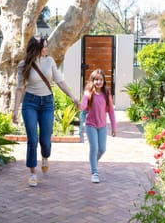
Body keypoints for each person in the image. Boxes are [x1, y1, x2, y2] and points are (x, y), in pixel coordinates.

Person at [12, 36, 79, 187]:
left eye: (46, 46)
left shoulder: (50, 61)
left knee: (45, 141)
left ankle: (45, 156)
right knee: (32, 139)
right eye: (44, 47)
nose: (46, 49)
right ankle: (33, 173)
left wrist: (73, 97)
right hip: (30, 103)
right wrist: (15, 110)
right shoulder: (24, 65)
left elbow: (60, 81)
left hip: (47, 103)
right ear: (35, 48)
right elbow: (19, 88)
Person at [79, 69, 116, 183]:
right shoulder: (88, 93)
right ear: (92, 80)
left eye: (100, 79)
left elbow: (111, 111)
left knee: (102, 149)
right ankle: (94, 172)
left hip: (102, 126)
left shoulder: (107, 93)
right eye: (96, 79)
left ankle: (93, 162)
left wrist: (114, 127)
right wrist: (79, 105)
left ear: (104, 81)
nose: (98, 81)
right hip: (91, 125)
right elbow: (83, 107)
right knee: (94, 148)